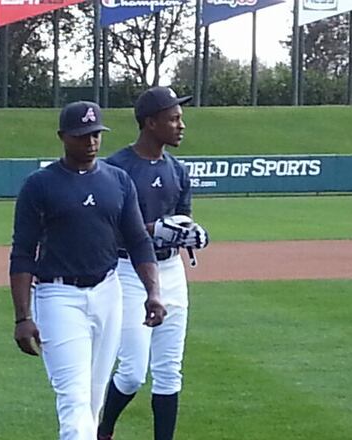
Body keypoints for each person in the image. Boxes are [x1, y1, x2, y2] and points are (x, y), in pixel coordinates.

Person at [9, 100, 168, 440]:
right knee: (74, 400)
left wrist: (153, 292)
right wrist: (22, 317)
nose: (91, 142)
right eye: (82, 135)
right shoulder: (39, 185)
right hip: (58, 297)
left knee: (94, 400)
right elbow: (23, 253)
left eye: (96, 134)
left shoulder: (118, 181)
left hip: (109, 292)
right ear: (63, 136)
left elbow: (139, 241)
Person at [97, 86, 209, 440]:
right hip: (129, 272)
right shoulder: (116, 167)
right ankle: (104, 429)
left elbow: (181, 219)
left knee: (169, 370)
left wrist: (189, 232)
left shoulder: (177, 169)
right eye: (173, 118)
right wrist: (151, 229)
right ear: (150, 122)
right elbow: (104, 228)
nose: (181, 125)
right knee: (131, 371)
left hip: (172, 271)